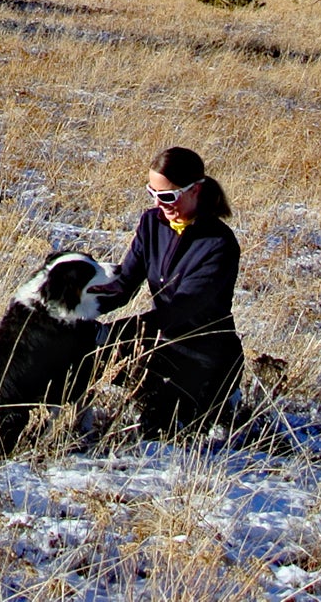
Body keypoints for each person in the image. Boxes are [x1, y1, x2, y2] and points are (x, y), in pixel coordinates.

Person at [92, 145, 245, 436]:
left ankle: (220, 402)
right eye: (153, 194)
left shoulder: (219, 244)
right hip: (162, 340)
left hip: (205, 354)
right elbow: (123, 285)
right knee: (90, 349)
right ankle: (149, 398)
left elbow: (181, 308)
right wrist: (75, 312)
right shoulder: (151, 224)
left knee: (167, 432)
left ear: (195, 190)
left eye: (168, 196)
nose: (160, 203)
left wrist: (113, 332)